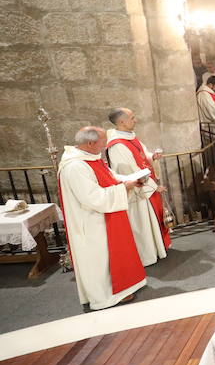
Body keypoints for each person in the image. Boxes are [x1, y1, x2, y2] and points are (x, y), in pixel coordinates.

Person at [58, 126, 146, 310]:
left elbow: (110, 176)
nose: (106, 144)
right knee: (100, 259)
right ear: (90, 143)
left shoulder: (90, 158)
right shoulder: (75, 167)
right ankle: (105, 297)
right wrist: (125, 187)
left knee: (112, 255)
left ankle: (121, 289)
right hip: (91, 222)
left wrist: (128, 179)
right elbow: (93, 198)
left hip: (103, 217)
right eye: (103, 141)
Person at [106, 108, 170, 266]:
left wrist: (152, 157)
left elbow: (142, 154)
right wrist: (154, 186)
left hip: (147, 185)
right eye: (132, 118)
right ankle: (147, 255)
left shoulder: (130, 137)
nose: (136, 120)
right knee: (142, 224)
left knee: (151, 221)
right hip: (138, 192)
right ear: (122, 122)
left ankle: (158, 249)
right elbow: (130, 172)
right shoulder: (117, 146)